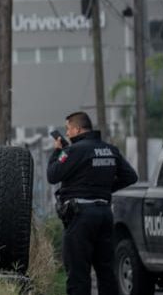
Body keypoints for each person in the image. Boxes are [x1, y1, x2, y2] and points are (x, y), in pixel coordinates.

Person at [47, 111, 138, 295]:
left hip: (80, 217)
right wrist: (104, 190)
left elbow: (52, 175)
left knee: (78, 274)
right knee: (107, 272)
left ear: (77, 129)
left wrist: (57, 151)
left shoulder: (73, 151)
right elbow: (131, 176)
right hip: (104, 215)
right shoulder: (110, 150)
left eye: (68, 129)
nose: (67, 134)